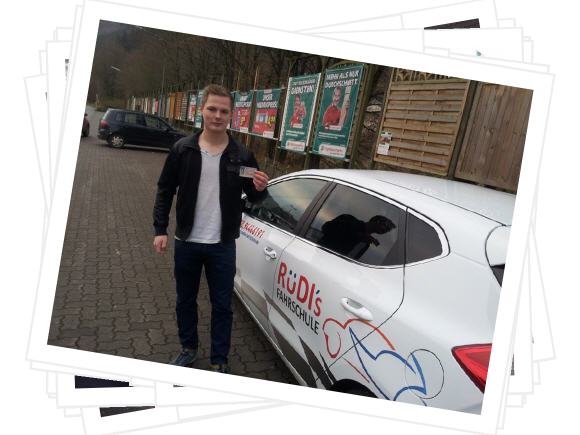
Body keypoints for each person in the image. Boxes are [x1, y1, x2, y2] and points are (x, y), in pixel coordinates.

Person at [152, 84, 269, 373]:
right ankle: (188, 348)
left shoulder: (241, 155)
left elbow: (254, 198)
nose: (217, 115)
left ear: (231, 115)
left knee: (222, 305)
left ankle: (219, 359)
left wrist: (260, 189)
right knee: (185, 300)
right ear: (201, 110)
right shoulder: (183, 149)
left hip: (222, 245)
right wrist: (160, 229)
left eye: (224, 111)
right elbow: (165, 190)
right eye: (212, 109)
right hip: (187, 241)